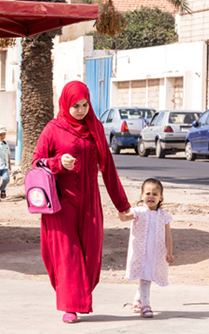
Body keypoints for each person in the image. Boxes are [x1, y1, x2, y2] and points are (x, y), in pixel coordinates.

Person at [32, 80, 131, 324]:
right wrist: (57, 163)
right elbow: (36, 163)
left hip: (90, 202)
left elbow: (108, 168)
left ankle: (77, 297)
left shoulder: (95, 127)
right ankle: (70, 305)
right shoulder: (53, 129)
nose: (80, 110)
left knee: (91, 253)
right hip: (61, 203)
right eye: (75, 105)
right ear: (66, 104)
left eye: (85, 104)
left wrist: (122, 205)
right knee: (68, 254)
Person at [119, 178, 174, 319]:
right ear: (142, 196)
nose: (151, 196)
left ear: (161, 197)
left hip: (155, 254)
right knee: (145, 277)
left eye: (155, 194)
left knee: (147, 277)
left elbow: (168, 236)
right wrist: (121, 209)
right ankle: (145, 305)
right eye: (147, 193)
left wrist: (169, 252)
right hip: (141, 253)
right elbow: (125, 218)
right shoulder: (138, 212)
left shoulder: (164, 216)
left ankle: (137, 301)